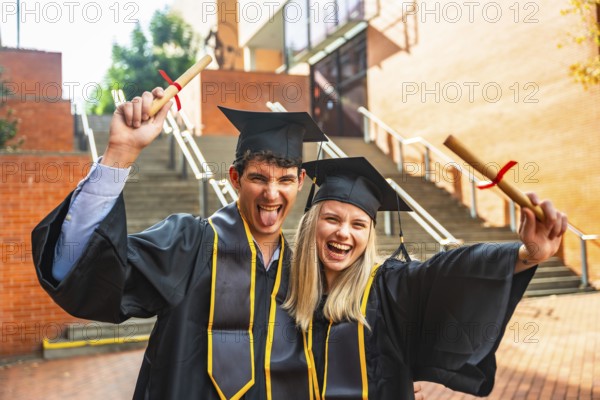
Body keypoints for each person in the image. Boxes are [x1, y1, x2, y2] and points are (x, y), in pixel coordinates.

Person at [31, 88, 330, 399]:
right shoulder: (189, 245)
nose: (271, 194)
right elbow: (80, 271)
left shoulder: (301, 276)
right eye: (258, 178)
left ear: (300, 181)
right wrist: (120, 154)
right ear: (235, 178)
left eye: (284, 180)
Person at [284, 157, 567, 400]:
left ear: (369, 235)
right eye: (332, 219)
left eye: (358, 224)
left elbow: (448, 271)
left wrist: (525, 255)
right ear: (311, 224)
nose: (344, 233)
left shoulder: (388, 286)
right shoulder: (284, 289)